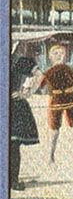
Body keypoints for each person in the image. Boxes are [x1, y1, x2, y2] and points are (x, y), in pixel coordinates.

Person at [39, 44, 73, 168]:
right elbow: (39, 85)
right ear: (50, 57)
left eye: (62, 53)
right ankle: (50, 159)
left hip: (71, 100)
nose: (59, 56)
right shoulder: (48, 72)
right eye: (56, 53)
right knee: (54, 132)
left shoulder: (68, 69)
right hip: (56, 101)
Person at [10, 53, 40, 189]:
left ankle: (13, 180)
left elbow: (40, 75)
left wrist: (26, 94)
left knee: (12, 145)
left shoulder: (17, 60)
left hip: (13, 107)